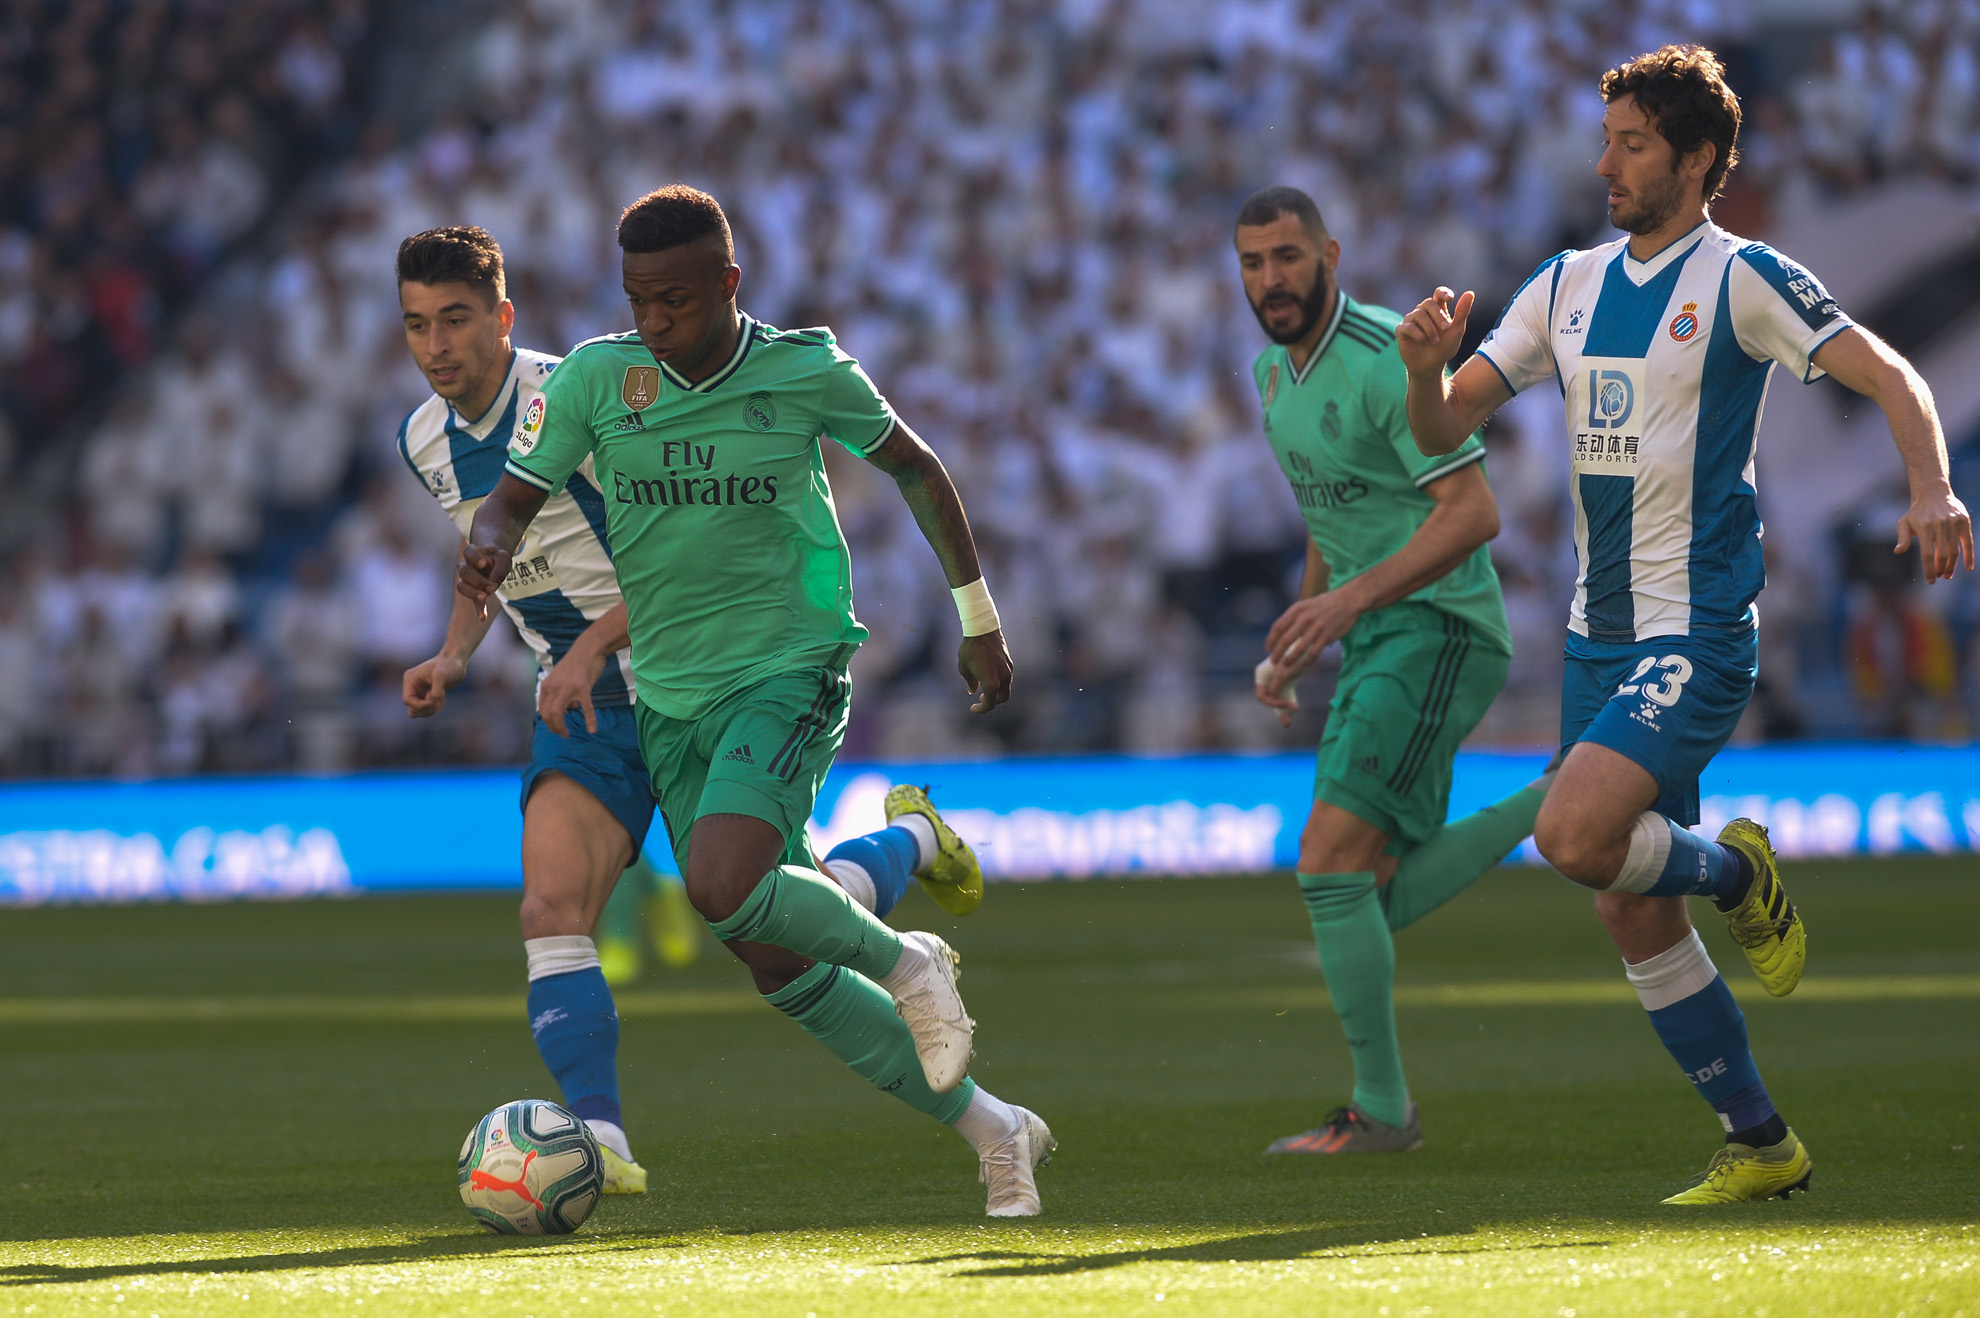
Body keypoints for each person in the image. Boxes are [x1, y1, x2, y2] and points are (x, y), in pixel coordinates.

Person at [1397, 45, 1974, 1204]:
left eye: (1634, 143)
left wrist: (1931, 487)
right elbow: (1445, 421)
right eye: (1607, 139)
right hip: (1596, 635)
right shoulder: (1563, 284)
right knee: (1621, 897)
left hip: (1697, 630)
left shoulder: (1745, 279)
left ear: (1698, 160)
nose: (1607, 162)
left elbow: (1895, 374)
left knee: (1569, 837)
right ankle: (1762, 1141)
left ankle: (1736, 872)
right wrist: (1423, 370)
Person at [457, 187, 1052, 1217]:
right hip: (671, 696)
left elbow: (917, 468)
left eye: (678, 301)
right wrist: (493, 538)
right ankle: (999, 1133)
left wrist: (979, 615)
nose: (656, 323)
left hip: (790, 664)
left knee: (723, 882)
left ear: (731, 285)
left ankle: (912, 964)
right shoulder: (601, 379)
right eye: (639, 300)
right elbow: (515, 494)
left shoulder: (804, 368)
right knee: (776, 955)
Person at [1234, 187, 1554, 1156]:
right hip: (1384, 628)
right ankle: (1573, 789)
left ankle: (1381, 1113)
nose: (1270, 280)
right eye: (1252, 263)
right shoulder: (1272, 375)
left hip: (1440, 622)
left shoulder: (1384, 362)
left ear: (1330, 252)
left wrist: (1345, 605)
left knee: (1329, 858)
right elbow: (1338, 515)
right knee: (1360, 883)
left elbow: (1472, 513)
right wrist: (1302, 631)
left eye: (1287, 257)